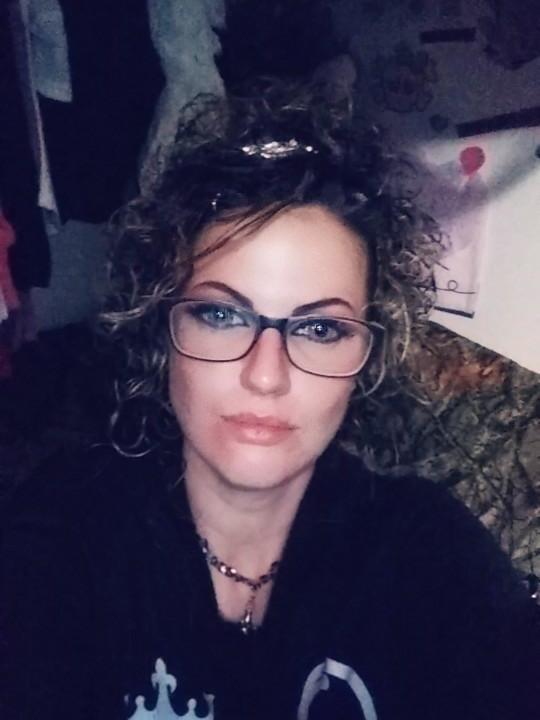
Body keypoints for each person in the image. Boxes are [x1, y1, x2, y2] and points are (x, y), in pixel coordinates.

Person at [1, 79, 538, 720]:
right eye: (223, 316)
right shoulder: (63, 537)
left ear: (366, 357)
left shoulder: (429, 555)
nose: (266, 375)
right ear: (163, 329)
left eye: (320, 329)